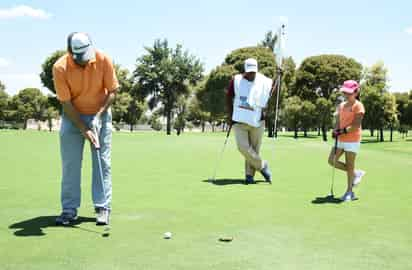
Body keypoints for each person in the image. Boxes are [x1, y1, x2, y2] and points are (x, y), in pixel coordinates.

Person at [53, 32, 119, 225]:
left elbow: (113, 91)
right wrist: (84, 128)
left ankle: (103, 207)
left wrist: (98, 117)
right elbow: (66, 103)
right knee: (70, 164)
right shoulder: (60, 68)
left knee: (102, 162)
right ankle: (69, 210)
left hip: (100, 114)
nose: (84, 60)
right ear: (70, 52)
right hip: (72, 116)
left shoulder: (103, 59)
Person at [226, 58, 274, 184]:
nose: (252, 74)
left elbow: (274, 88)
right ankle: (263, 166)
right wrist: (229, 116)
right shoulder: (236, 80)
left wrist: (280, 76)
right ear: (245, 70)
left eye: (254, 72)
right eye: (249, 72)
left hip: (257, 121)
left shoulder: (263, 81)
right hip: (239, 121)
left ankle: (249, 176)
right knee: (243, 147)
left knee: (254, 149)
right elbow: (228, 97)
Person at [328, 80, 366, 201]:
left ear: (356, 92)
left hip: (352, 139)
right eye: (345, 92)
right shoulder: (341, 106)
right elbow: (338, 122)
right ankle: (355, 174)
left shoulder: (358, 106)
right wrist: (335, 130)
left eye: (349, 93)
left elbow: (355, 125)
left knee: (350, 165)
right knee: (332, 160)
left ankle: (349, 192)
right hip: (341, 139)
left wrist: (342, 131)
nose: (346, 95)